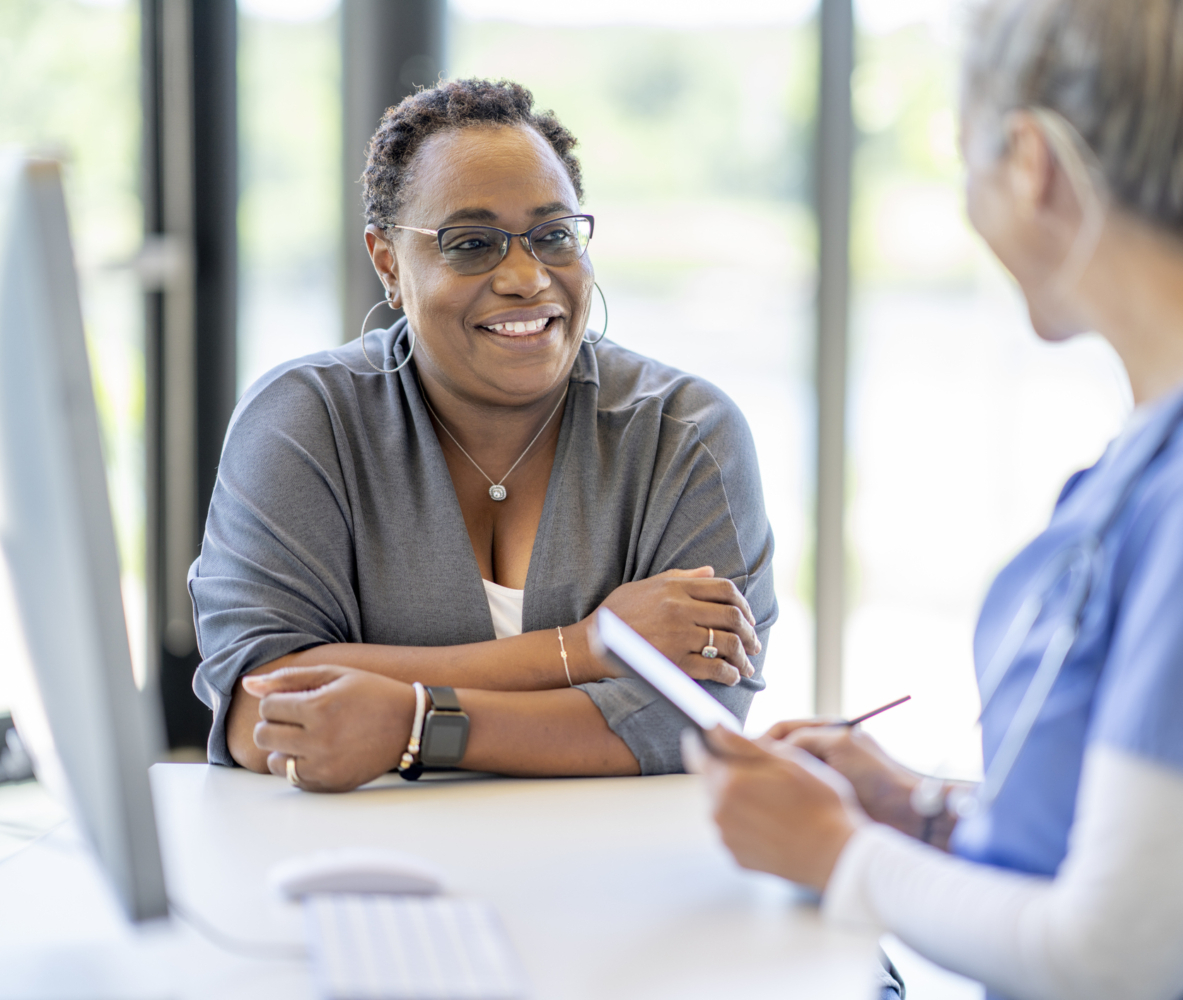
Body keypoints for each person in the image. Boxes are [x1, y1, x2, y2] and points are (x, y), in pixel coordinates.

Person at [695, 1, 1183, 999]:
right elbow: (1130, 855)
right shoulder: (1145, 460)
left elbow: (1121, 954)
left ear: (1029, 160)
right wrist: (916, 807)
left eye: (964, 154)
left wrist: (835, 854)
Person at [188, 79, 776, 792]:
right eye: (470, 244)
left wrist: (405, 725)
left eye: (553, 236)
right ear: (387, 264)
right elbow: (261, 709)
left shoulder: (685, 436)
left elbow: (692, 718)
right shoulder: (304, 422)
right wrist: (586, 650)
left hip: (615, 873)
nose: (527, 278)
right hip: (360, 866)